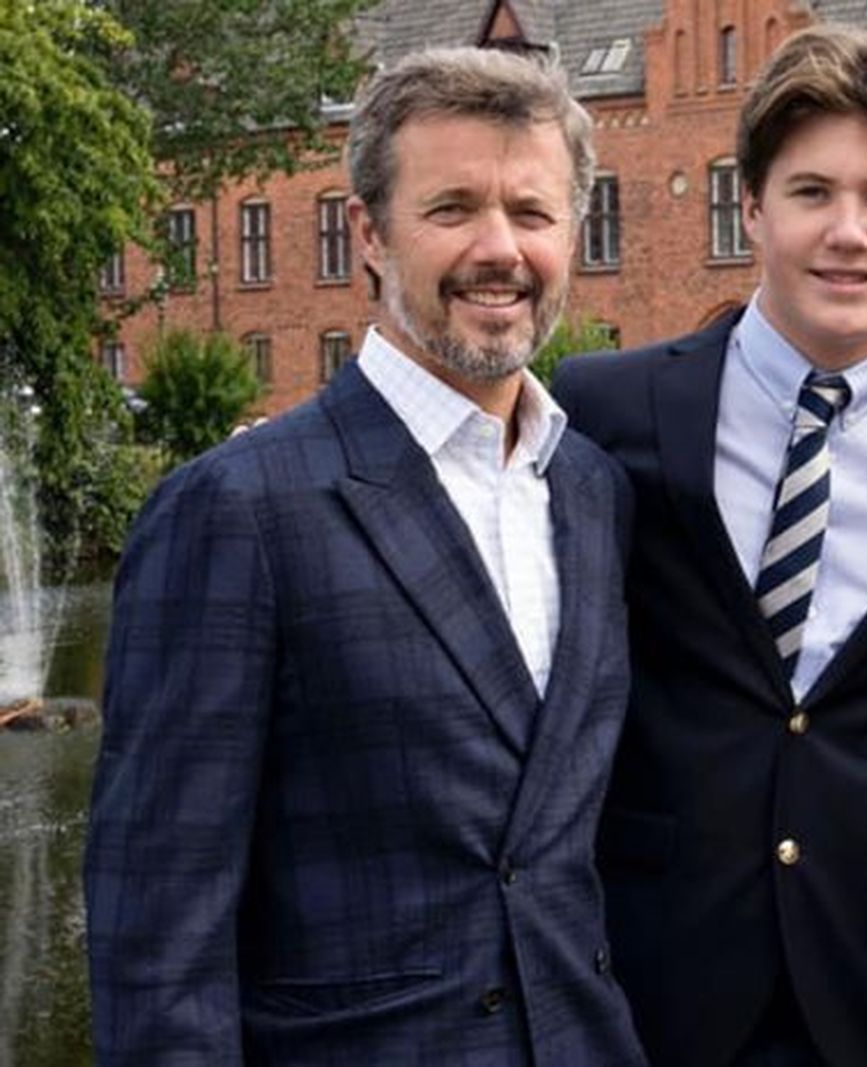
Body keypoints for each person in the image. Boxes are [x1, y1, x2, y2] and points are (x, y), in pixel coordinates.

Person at [84, 47, 645, 1066]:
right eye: (451, 209)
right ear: (369, 237)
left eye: (531, 212)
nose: (498, 249)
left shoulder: (593, 493)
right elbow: (158, 929)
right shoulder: (236, 509)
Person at [553, 25, 867, 1067]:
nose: (848, 231)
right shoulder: (601, 411)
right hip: (648, 976)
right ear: (751, 205)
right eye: (812, 192)